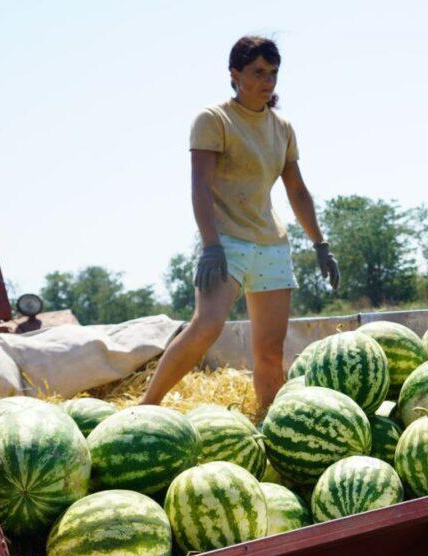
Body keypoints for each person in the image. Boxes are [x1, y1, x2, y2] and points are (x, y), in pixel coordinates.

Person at [141, 36, 337, 416]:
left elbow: (297, 191)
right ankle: (145, 408)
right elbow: (199, 186)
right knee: (207, 326)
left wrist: (320, 244)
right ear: (235, 74)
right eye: (258, 72)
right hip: (227, 241)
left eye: (273, 73)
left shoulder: (282, 127)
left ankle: (270, 424)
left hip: (272, 246)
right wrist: (211, 244)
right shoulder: (213, 120)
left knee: (269, 350)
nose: (268, 81)